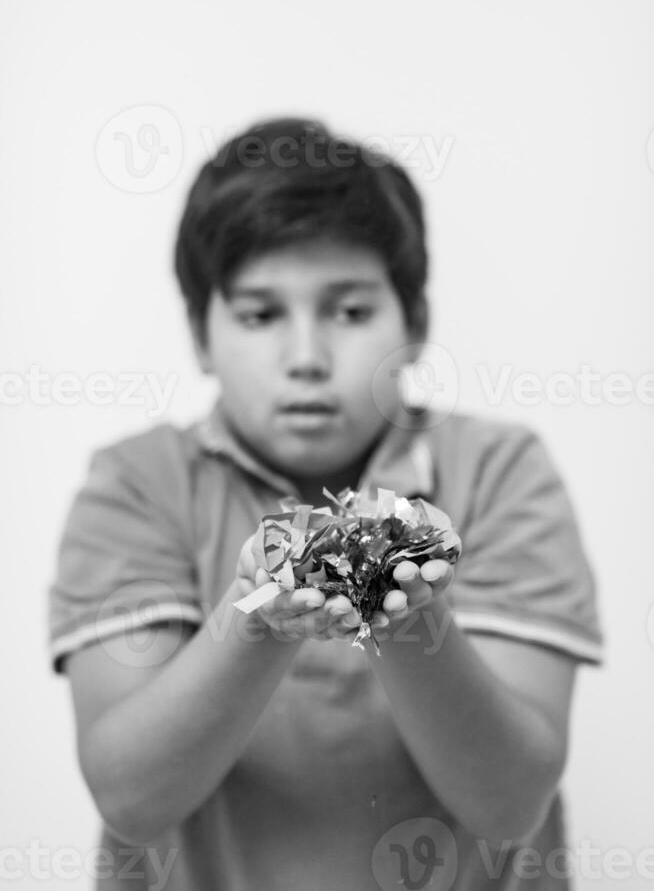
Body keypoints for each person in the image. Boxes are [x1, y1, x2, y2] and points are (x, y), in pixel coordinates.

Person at [47, 117, 605, 891]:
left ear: (414, 324)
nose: (306, 358)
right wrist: (258, 617)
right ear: (201, 336)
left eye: (349, 312)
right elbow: (130, 797)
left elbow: (511, 803)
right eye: (259, 315)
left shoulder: (500, 471)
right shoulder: (137, 482)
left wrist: (410, 612)